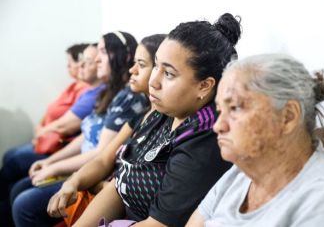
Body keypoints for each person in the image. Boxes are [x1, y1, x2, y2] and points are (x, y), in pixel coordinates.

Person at [48, 13, 242, 227]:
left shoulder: (203, 141)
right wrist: (74, 184)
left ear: (204, 86)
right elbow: (119, 183)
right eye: (156, 66)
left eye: (168, 74)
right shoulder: (162, 113)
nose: (153, 81)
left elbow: (159, 224)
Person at [186, 54, 324, 227]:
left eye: (235, 108)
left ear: (288, 117)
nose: (218, 126)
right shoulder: (242, 170)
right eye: (220, 110)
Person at [11, 31, 148, 227]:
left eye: (102, 52)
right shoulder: (108, 92)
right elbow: (85, 136)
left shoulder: (129, 97)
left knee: (23, 200)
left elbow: (101, 154)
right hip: (83, 168)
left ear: (122, 56)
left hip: (91, 173)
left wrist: (55, 167)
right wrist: (50, 162)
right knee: (20, 186)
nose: (95, 60)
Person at [47, 33, 167, 226]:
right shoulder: (141, 115)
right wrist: (73, 182)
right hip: (101, 193)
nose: (132, 70)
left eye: (141, 64)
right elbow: (104, 159)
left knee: (24, 202)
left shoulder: (144, 109)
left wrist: (101, 184)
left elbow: (124, 180)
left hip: (117, 205)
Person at [0, 43, 97, 227]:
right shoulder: (89, 92)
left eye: (88, 62)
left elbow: (67, 126)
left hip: (59, 146)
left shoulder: (92, 94)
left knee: (15, 171)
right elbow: (54, 113)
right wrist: (40, 127)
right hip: (53, 143)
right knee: (11, 160)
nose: (74, 68)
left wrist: (51, 162)